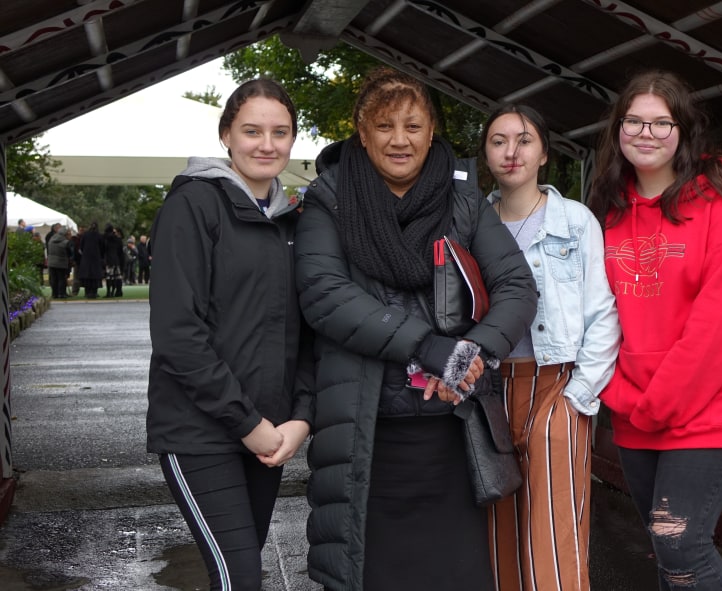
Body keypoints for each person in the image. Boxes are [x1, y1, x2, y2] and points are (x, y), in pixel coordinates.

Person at [294, 66, 538, 591]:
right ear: (361, 132)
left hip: (451, 429)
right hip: (365, 426)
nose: (399, 140)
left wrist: (473, 351)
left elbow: (517, 286)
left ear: (432, 132)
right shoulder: (329, 199)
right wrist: (428, 346)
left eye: (413, 125)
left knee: (453, 572)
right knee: (372, 570)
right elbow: (325, 295)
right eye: (384, 126)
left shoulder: (464, 201)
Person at [587, 70, 722, 591]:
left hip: (710, 412)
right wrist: (618, 395)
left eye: (661, 122)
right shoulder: (605, 213)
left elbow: (717, 327)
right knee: (666, 554)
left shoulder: (720, 208)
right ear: (617, 130)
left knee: (680, 543)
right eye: (634, 121)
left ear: (683, 130)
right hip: (634, 412)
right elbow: (591, 315)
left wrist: (652, 403)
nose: (646, 132)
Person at [146, 78, 314, 590]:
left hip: (270, 435)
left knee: (240, 573)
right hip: (202, 432)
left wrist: (301, 418)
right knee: (239, 576)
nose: (267, 144)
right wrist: (248, 423)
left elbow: (308, 330)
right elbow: (177, 333)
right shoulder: (193, 206)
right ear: (225, 136)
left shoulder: (295, 222)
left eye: (280, 132)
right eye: (252, 130)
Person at [480, 105, 620, 591]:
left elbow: (602, 312)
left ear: (544, 152)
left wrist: (579, 393)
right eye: (498, 141)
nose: (511, 151)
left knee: (554, 523)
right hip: (491, 386)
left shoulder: (574, 220)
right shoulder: (474, 221)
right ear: (486, 153)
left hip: (554, 380)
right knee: (496, 520)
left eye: (524, 140)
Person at [77, 222, 104, 298]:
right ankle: (94, 292)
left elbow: (81, 246)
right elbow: (102, 247)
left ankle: (87, 292)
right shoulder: (99, 236)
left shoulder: (85, 235)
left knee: (87, 276)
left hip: (86, 259)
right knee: (95, 277)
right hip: (96, 258)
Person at [46, 226, 70, 299]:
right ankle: (61, 294)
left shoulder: (51, 240)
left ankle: (54, 294)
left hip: (51, 262)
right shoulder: (65, 242)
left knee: (54, 279)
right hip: (61, 263)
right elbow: (69, 253)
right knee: (61, 279)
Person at [102, 224, 124, 297]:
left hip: (109, 260)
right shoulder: (118, 239)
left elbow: (104, 249)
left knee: (109, 277)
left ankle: (108, 292)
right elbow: (120, 251)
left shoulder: (106, 239)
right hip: (116, 260)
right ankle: (114, 291)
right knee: (116, 277)